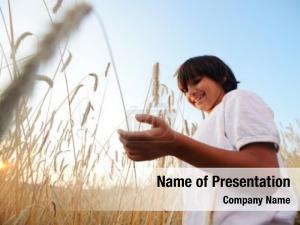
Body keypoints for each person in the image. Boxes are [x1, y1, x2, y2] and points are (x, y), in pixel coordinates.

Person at [118, 55, 297, 225]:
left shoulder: (237, 99)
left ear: (222, 77)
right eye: (185, 90)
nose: (191, 93)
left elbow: (264, 176)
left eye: (196, 81)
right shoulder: (199, 135)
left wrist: (175, 145)